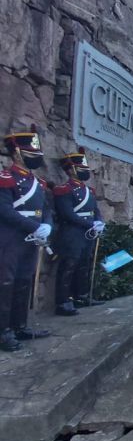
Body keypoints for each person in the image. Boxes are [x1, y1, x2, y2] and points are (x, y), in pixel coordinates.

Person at [0, 126, 53, 351]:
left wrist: (47, 226)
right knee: (6, 283)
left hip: (32, 239)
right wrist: (34, 227)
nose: (35, 155)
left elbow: (46, 208)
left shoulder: (38, 183)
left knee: (24, 282)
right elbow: (5, 210)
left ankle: (20, 325)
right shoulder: (6, 178)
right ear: (17, 153)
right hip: (10, 239)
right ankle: (4, 332)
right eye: (29, 151)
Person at [52, 149, 105, 316]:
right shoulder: (64, 190)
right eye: (80, 166)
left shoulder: (89, 191)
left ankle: (81, 295)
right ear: (70, 170)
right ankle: (63, 301)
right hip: (72, 233)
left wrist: (99, 221)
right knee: (68, 267)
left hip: (88, 232)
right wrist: (90, 223)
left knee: (84, 264)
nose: (84, 169)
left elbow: (95, 210)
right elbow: (67, 214)